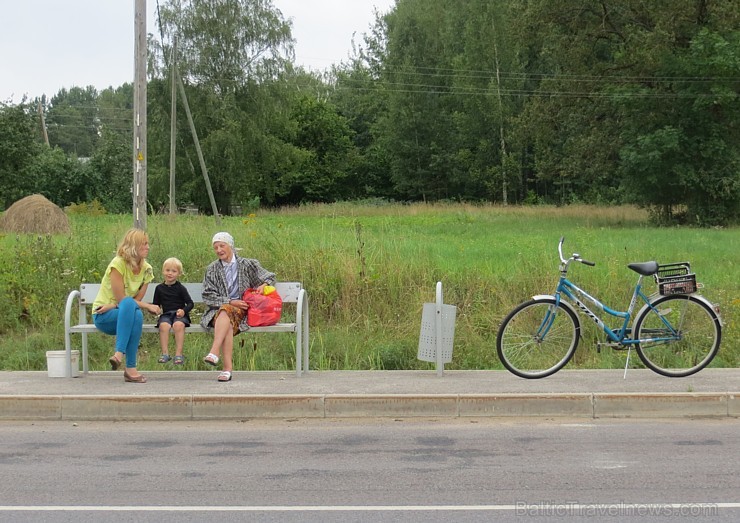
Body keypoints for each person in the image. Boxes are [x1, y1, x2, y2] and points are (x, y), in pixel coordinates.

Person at [201, 232, 276, 382]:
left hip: (244, 311)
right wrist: (229, 301)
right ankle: (226, 369)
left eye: (222, 246)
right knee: (226, 314)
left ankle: (215, 353)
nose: (218, 250)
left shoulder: (248, 264)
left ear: (231, 246)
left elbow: (270, 276)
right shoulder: (212, 269)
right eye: (215, 247)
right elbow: (207, 295)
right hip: (218, 311)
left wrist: (264, 285)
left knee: (227, 314)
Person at [92, 228, 160, 383]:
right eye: (144, 244)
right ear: (133, 246)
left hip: (123, 312)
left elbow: (132, 303)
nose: (148, 247)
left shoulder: (147, 269)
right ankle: (127, 363)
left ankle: (122, 359)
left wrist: (113, 305)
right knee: (133, 307)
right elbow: (123, 299)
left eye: (148, 244)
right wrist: (147, 306)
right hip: (104, 316)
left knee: (136, 314)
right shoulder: (118, 264)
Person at [153, 257, 194, 365]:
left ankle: (178, 354)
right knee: (163, 326)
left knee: (178, 325)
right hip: (166, 314)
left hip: (179, 314)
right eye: (167, 270)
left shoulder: (180, 288)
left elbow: (190, 303)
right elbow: (156, 304)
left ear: (179, 273)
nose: (170, 273)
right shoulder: (159, 288)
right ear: (163, 271)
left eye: (173, 271)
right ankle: (165, 353)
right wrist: (155, 309)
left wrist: (184, 311)